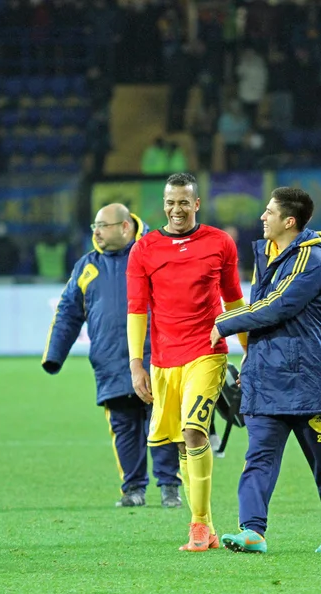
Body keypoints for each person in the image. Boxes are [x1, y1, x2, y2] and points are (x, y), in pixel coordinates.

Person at [210, 187, 321, 554]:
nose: (262, 217)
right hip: (267, 378)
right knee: (258, 458)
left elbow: (276, 306)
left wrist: (222, 322)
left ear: (289, 221)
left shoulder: (312, 258)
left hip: (308, 380)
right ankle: (252, 531)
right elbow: (263, 319)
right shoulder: (268, 253)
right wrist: (249, 364)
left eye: (269, 211)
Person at [126, 172, 247, 552]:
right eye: (170, 202)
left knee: (195, 430)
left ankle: (197, 525)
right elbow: (136, 310)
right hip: (164, 360)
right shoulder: (143, 249)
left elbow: (235, 302)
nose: (176, 209)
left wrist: (250, 352)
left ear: (196, 204)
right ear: (163, 204)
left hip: (207, 353)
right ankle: (207, 525)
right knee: (181, 443)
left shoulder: (220, 243)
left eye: (183, 202)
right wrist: (136, 363)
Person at [42, 203, 182, 509]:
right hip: (110, 364)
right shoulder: (87, 267)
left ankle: (170, 486)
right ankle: (133, 489)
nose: (96, 231)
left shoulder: (156, 254)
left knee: (161, 423)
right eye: (94, 225)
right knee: (123, 428)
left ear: (125, 227)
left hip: (155, 359)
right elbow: (67, 313)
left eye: (102, 225)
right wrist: (55, 355)